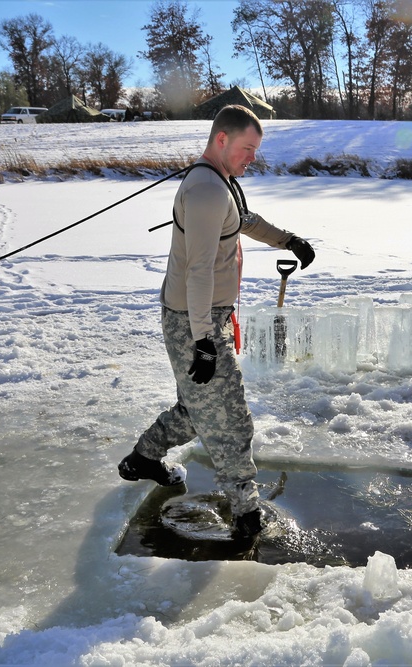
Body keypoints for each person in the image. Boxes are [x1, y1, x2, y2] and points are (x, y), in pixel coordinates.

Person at [117, 104, 316, 538]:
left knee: (196, 410)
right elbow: (199, 270)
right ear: (221, 140)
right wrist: (205, 341)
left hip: (201, 316)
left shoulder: (219, 181)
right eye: (247, 148)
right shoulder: (207, 190)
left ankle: (143, 459)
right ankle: (246, 511)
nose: (251, 158)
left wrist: (288, 239)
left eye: (256, 150)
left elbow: (242, 220)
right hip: (197, 319)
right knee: (231, 415)